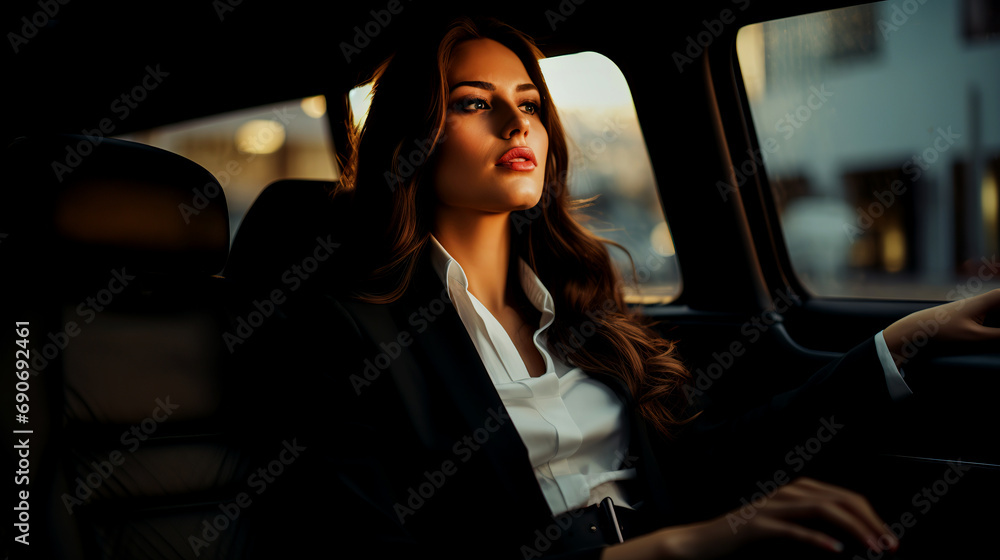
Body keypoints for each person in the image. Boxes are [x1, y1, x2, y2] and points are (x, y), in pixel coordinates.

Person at [246, 15, 1000, 560]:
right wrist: (674, 548)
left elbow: (699, 462)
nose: (517, 123)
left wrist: (903, 342)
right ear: (413, 140)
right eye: (475, 102)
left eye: (530, 104)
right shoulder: (345, 332)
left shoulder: (578, 304)